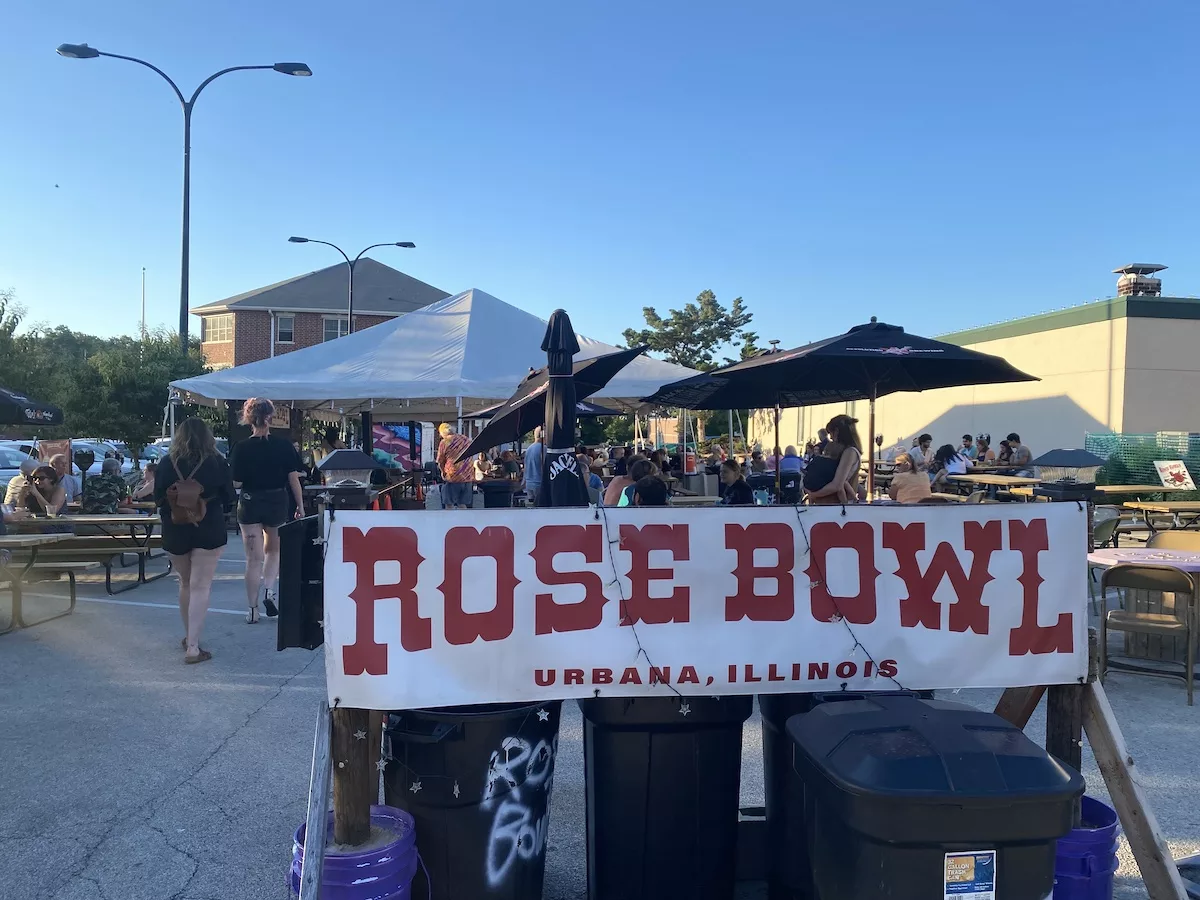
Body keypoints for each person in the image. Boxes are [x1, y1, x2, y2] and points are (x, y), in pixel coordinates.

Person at [156, 417, 236, 664]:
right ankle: (193, 646)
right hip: (208, 526)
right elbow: (230, 498)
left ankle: (189, 635)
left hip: (175, 527)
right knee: (201, 586)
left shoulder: (166, 463)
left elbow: (158, 498)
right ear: (208, 437)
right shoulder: (217, 462)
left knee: (185, 583)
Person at [230, 398, 306, 623]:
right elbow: (294, 480)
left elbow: (236, 483)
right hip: (276, 501)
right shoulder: (284, 446)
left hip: (250, 502)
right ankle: (269, 590)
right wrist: (300, 506)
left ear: (248, 419)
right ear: (269, 417)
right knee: (273, 551)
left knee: (253, 559)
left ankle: (252, 610)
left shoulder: (241, 448)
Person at [806, 415, 863, 505]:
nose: (831, 437)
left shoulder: (850, 452)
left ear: (837, 431)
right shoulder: (848, 451)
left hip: (836, 505)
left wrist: (813, 494)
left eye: (830, 433)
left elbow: (837, 485)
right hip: (835, 504)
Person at [435, 423, 475, 510]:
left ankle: (450, 522)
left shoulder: (445, 442)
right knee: (462, 504)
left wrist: (443, 472)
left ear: (443, 432)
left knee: (449, 504)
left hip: (453, 476)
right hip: (468, 476)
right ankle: (463, 522)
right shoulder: (466, 439)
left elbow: (440, 461)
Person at [522, 428, 545, 505]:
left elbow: (525, 466)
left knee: (532, 505)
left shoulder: (529, 449)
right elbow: (545, 466)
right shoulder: (543, 449)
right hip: (539, 482)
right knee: (541, 506)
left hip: (529, 482)